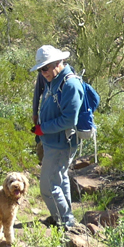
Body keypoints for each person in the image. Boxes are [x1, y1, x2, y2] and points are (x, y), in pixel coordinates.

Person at [30, 44, 84, 231]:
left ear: (57, 63)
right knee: (60, 179)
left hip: (62, 143)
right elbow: (40, 90)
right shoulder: (53, 78)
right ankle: (62, 217)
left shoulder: (70, 85)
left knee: (47, 186)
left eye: (44, 68)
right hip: (53, 141)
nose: (42, 73)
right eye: (40, 69)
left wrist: (42, 129)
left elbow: (69, 120)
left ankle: (66, 223)